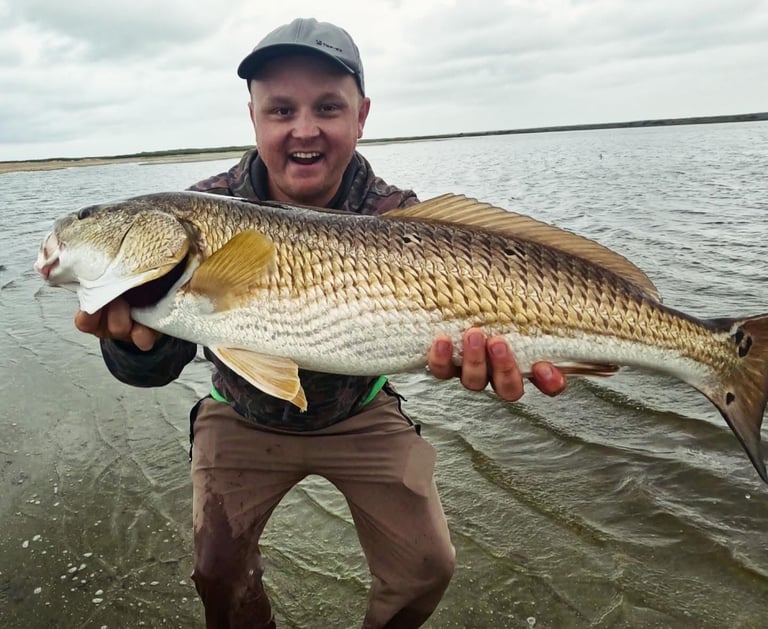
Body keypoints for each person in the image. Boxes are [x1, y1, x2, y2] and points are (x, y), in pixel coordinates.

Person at [74, 17, 566, 629]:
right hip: (243, 409)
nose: (303, 129)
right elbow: (155, 364)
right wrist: (134, 346)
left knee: (428, 566)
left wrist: (490, 353)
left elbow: (469, 308)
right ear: (253, 118)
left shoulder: (396, 213)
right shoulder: (199, 210)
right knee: (216, 572)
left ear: (361, 116)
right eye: (280, 110)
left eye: (328, 107)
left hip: (360, 411)